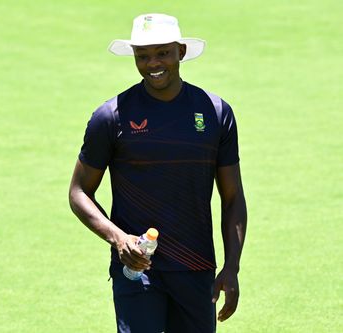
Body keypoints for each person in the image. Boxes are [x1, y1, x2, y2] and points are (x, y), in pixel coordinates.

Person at [69, 13, 247, 333]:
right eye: (143, 56)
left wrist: (232, 267)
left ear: (180, 51)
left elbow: (232, 197)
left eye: (162, 53)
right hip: (137, 269)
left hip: (196, 267)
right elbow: (79, 191)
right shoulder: (111, 117)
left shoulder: (215, 112)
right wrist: (118, 238)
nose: (153, 63)